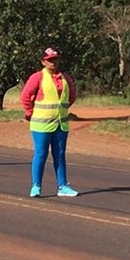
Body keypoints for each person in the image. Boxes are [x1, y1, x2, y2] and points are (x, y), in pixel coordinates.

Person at [20, 47, 78, 198]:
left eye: (55, 59)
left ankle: (62, 186)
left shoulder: (66, 78)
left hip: (61, 124)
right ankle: (36, 186)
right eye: (50, 60)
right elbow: (25, 96)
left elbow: (71, 97)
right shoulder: (37, 77)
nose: (53, 63)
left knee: (59, 155)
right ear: (43, 61)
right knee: (41, 154)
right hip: (41, 124)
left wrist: (61, 110)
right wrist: (29, 112)